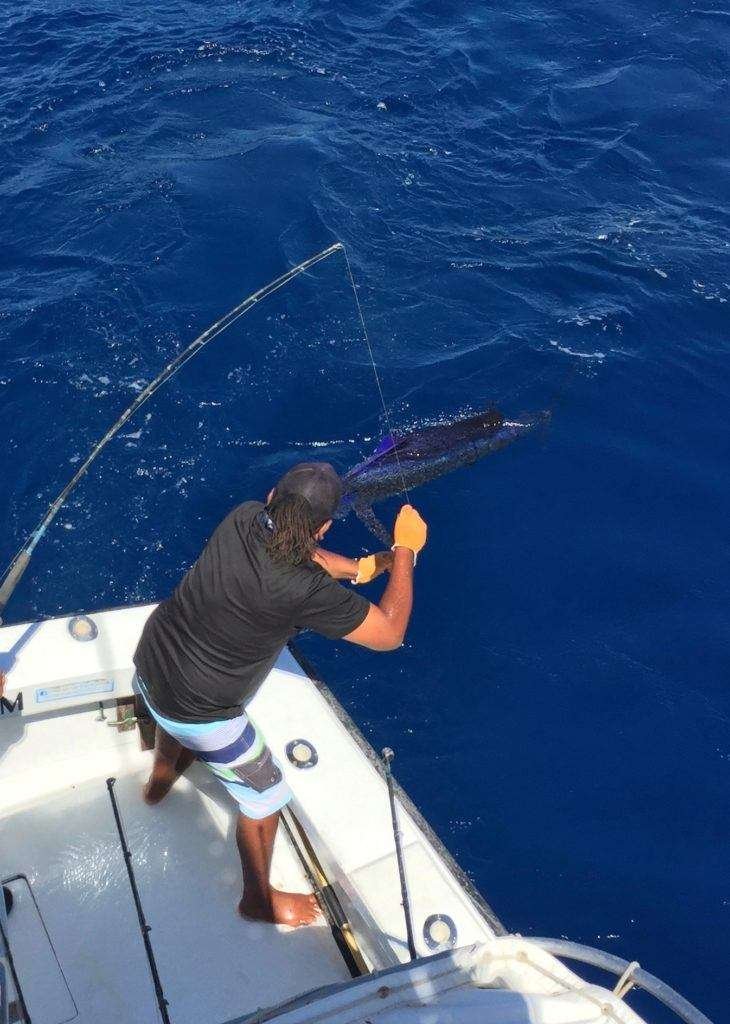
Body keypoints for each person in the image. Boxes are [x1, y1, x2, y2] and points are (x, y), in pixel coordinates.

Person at [133, 462, 427, 927]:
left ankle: (159, 784)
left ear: (272, 497)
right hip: (204, 711)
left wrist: (361, 569)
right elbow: (389, 633)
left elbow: (300, 552)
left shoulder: (243, 517)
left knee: (173, 719)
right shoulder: (307, 591)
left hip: (151, 664)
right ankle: (257, 900)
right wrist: (405, 551)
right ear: (326, 526)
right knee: (265, 799)